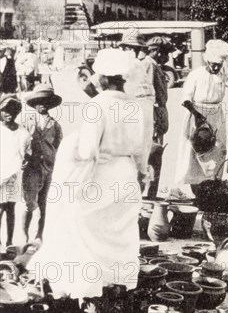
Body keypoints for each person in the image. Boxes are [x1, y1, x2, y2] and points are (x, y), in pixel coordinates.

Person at [28, 49, 149, 305]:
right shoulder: (136, 107)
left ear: (104, 78)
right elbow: (142, 152)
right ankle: (118, 286)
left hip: (101, 175)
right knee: (120, 232)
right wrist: (139, 172)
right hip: (125, 175)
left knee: (87, 229)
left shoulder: (99, 104)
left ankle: (90, 289)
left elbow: (86, 150)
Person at [175, 40, 228, 189]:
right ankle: (196, 186)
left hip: (216, 115)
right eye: (212, 64)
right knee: (194, 151)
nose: (215, 67)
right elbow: (185, 99)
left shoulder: (223, 75)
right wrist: (197, 116)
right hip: (197, 114)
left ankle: (213, 183)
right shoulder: (196, 74)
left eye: (218, 65)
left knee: (218, 149)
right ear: (206, 60)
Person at [22, 84, 63, 243]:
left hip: (48, 168)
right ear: (34, 103)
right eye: (39, 101)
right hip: (32, 168)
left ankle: (40, 234)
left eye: (46, 102)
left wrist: (55, 163)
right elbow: (20, 143)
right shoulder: (27, 122)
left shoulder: (55, 124)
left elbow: (59, 145)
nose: (43, 105)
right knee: (29, 204)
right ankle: (25, 235)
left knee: (44, 204)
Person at [119, 35, 155, 192]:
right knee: (133, 156)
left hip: (143, 111)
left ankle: (137, 194)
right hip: (134, 110)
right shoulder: (125, 64)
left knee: (140, 156)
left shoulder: (140, 65)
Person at [0, 94, 31, 247]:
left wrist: (26, 160)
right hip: (0, 174)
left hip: (14, 174)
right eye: (5, 110)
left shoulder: (22, 132)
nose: (8, 114)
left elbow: (27, 152)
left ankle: (9, 242)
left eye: (12, 111)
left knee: (11, 209)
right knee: (0, 207)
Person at [144, 36, 170, 144]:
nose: (167, 56)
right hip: (154, 112)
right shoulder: (149, 64)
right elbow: (149, 92)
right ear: (155, 51)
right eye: (165, 52)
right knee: (154, 147)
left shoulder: (155, 65)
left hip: (159, 111)